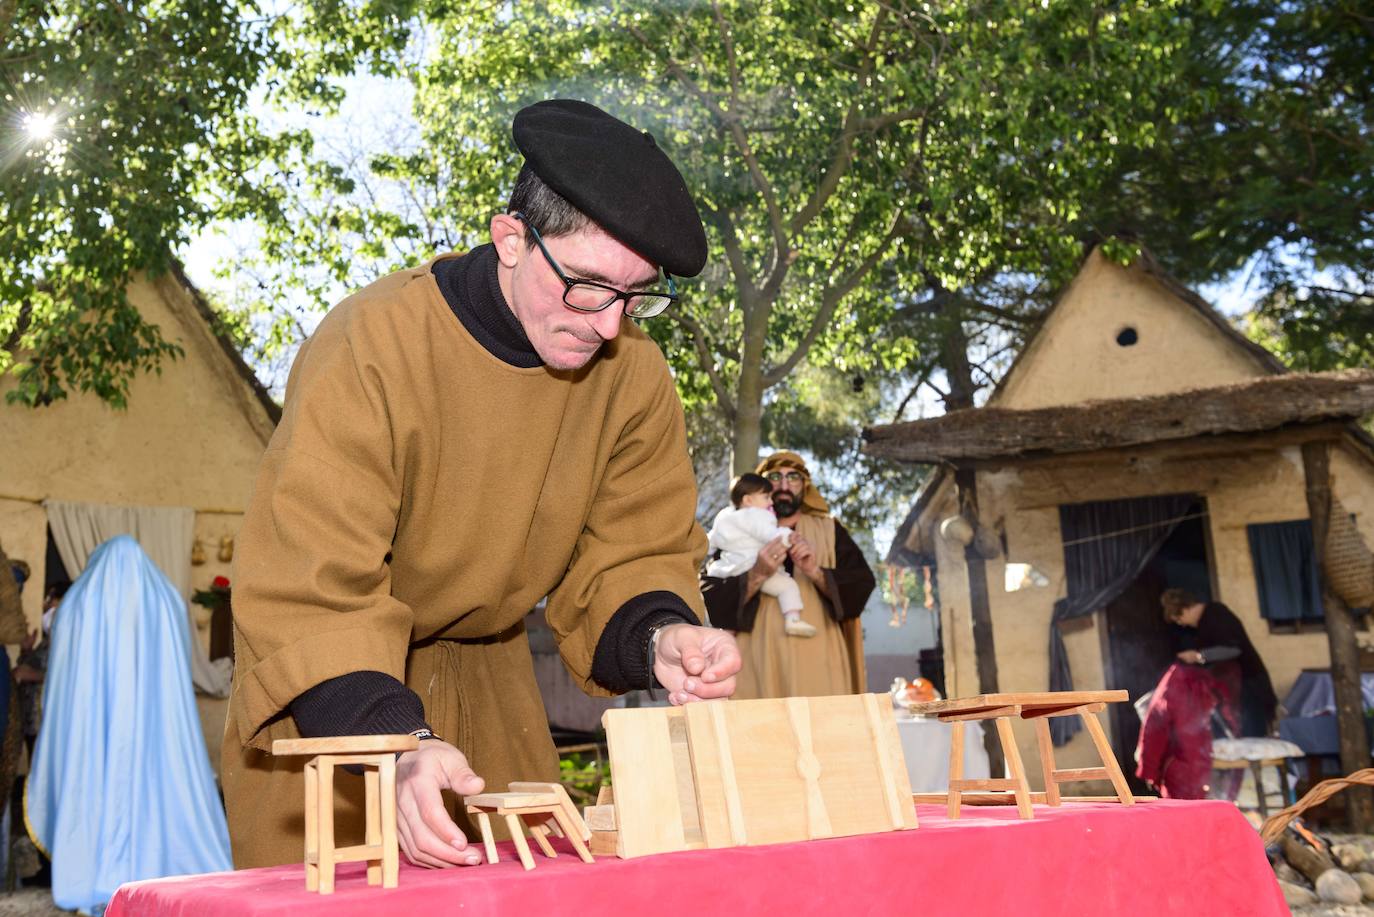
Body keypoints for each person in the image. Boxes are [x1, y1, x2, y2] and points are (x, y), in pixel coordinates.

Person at [225, 99, 742, 870]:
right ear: (511, 239)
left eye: (638, 297)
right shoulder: (370, 347)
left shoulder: (634, 377)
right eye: (589, 286)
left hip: (495, 704)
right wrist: (395, 744)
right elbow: (312, 586)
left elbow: (635, 548)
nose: (609, 324)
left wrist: (661, 636)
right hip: (338, 712)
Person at [26, 536, 231, 912]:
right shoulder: (164, 598)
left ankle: (90, 871)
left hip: (93, 729)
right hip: (157, 727)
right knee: (156, 787)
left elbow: (63, 679)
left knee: (96, 785)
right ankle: (157, 864)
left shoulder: (79, 603)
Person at [700, 451, 875, 698]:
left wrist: (814, 571)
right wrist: (757, 575)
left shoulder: (829, 529)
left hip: (817, 661)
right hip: (755, 662)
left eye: (793, 477)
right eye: (774, 477)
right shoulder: (734, 528)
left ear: (805, 485)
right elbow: (709, 593)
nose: (783, 485)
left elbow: (861, 584)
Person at [705, 473, 814, 638]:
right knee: (788, 586)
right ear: (748, 500)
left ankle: (725, 636)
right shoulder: (758, 515)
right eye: (766, 497)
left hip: (729, 571)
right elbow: (770, 535)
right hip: (752, 565)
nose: (771, 502)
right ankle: (793, 619)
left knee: (730, 614)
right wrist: (788, 537)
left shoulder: (724, 517)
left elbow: (710, 541)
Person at [1160, 587, 1277, 737]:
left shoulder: (1216, 614)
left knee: (1252, 735)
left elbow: (1233, 649)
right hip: (1234, 688)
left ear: (1185, 609)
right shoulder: (1203, 624)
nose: (1181, 624)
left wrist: (1198, 656)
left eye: (1179, 619)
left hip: (1249, 685)